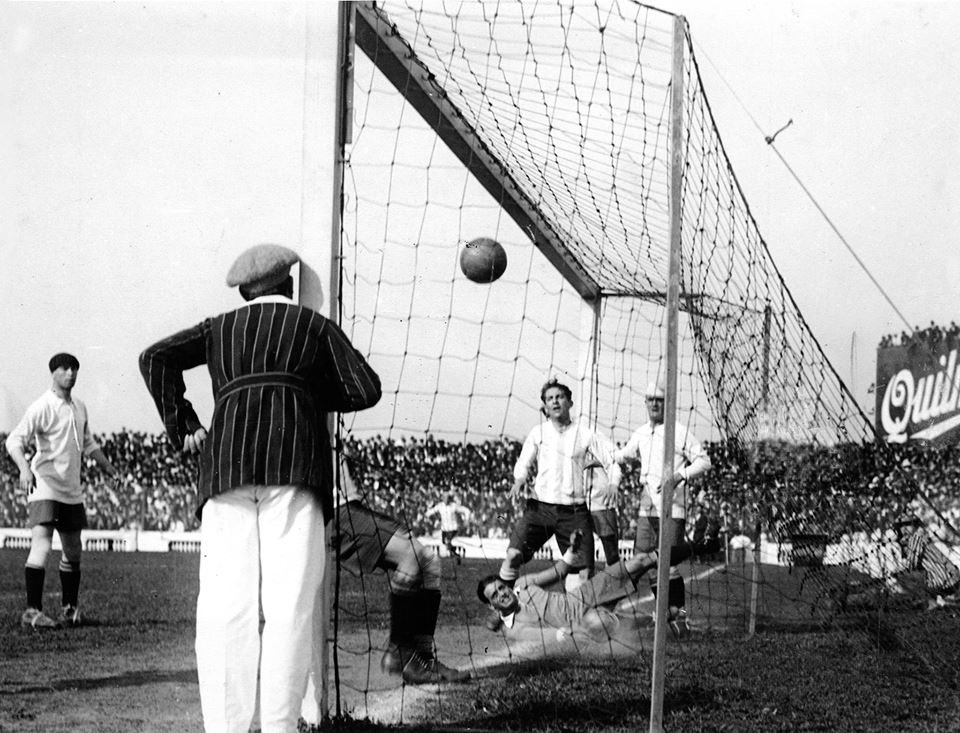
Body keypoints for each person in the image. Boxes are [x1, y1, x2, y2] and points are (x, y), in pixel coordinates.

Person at [139, 243, 381, 733]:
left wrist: (184, 422)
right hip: (294, 467)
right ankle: (279, 726)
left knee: (227, 608)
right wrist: (305, 391)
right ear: (289, 285)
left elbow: (154, 358)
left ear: (245, 292)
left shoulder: (217, 327)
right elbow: (365, 387)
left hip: (225, 468)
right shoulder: (313, 325)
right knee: (289, 607)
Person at [491, 378, 621, 632]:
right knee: (513, 555)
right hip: (540, 510)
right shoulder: (538, 433)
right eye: (550, 399)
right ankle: (500, 613)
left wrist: (614, 483)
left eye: (559, 397)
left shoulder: (585, 434)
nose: (555, 402)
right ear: (545, 407)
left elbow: (612, 459)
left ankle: (575, 626)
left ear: (569, 402)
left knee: (582, 574)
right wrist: (519, 479)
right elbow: (524, 462)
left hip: (573, 511)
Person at [329, 452, 469, 683]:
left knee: (429, 563)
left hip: (351, 507)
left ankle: (424, 659)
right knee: (412, 555)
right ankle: (400, 653)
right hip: (338, 510)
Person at [5, 352, 121, 629]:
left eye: (74, 369)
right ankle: (32, 611)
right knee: (42, 545)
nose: (71, 373)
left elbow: (89, 444)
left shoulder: (79, 407)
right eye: (64, 368)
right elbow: (14, 441)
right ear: (53, 373)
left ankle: (69, 609)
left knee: (73, 551)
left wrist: (108, 468)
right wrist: (24, 468)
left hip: (71, 490)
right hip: (44, 484)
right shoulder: (42, 406)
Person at [614, 379, 711, 637]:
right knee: (643, 560)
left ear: (667, 403)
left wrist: (680, 475)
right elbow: (623, 455)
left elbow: (704, 461)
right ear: (645, 403)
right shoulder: (642, 432)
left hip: (672, 506)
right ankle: (663, 613)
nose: (654, 404)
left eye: (659, 400)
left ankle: (679, 616)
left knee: (666, 562)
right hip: (647, 507)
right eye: (650, 400)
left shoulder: (679, 431)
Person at [478, 529, 692, 641]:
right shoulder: (515, 628)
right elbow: (551, 637)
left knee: (641, 561)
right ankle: (657, 622)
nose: (502, 593)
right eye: (495, 596)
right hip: (581, 621)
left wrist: (572, 549)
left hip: (582, 596)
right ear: (492, 606)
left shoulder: (522, 585)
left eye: (500, 588)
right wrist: (571, 633)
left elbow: (558, 572)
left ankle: (698, 546)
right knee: (599, 622)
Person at [425, 492, 473, 564]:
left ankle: (456, 555)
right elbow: (430, 512)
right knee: (446, 544)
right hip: (444, 529)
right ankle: (456, 555)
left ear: (449, 498)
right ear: (442, 498)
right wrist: (427, 513)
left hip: (453, 528)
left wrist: (466, 520)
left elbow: (466, 511)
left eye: (447, 497)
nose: (446, 499)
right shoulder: (440, 506)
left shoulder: (454, 506)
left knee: (447, 542)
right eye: (444, 497)